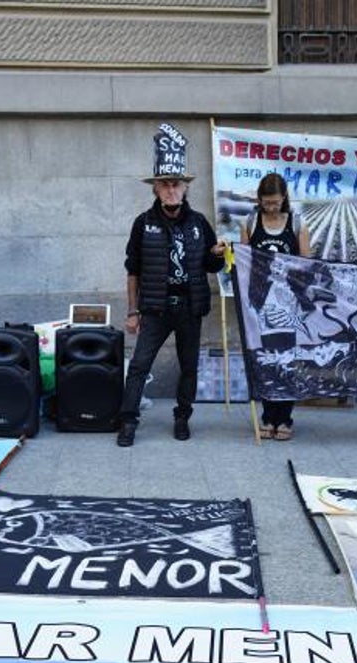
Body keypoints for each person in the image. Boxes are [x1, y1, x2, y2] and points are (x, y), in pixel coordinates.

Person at [117, 123, 226, 447]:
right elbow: (132, 270)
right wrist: (132, 310)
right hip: (155, 307)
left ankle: (182, 417)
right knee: (138, 365)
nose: (170, 190)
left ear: (185, 188)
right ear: (155, 189)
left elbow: (211, 265)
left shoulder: (198, 223)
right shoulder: (143, 223)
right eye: (164, 185)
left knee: (189, 366)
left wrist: (218, 255)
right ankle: (128, 421)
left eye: (176, 184)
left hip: (189, 306)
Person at [240, 172, 311, 440]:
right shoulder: (249, 221)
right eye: (266, 203)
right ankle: (268, 416)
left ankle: (285, 418)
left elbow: (306, 263)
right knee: (265, 358)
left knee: (287, 359)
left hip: (288, 301)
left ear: (284, 199)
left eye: (276, 202)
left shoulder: (296, 223)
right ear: (259, 200)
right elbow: (244, 261)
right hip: (259, 301)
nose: (271, 207)